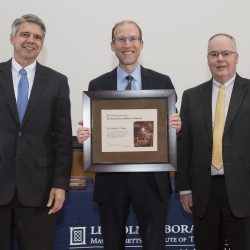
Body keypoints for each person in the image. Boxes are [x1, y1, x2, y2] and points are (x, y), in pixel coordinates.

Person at [76, 20, 181, 250]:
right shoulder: (97, 84)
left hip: (152, 180)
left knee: (155, 245)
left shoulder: (162, 82)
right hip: (110, 180)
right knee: (112, 244)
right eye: (121, 39)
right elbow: (96, 131)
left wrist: (176, 125)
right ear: (112, 46)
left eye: (132, 38)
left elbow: (170, 129)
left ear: (141, 44)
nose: (127, 44)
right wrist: (86, 135)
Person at [0, 14, 72, 250]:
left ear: (42, 43)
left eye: (37, 37)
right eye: (25, 34)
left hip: (40, 190)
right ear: (12, 38)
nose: (31, 40)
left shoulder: (57, 81)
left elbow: (62, 138)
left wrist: (60, 184)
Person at [175, 33, 250, 250]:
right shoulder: (191, 96)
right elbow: (184, 146)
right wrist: (184, 189)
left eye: (226, 53)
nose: (220, 59)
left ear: (237, 57)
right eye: (214, 54)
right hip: (203, 192)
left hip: (243, 192)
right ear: (207, 59)